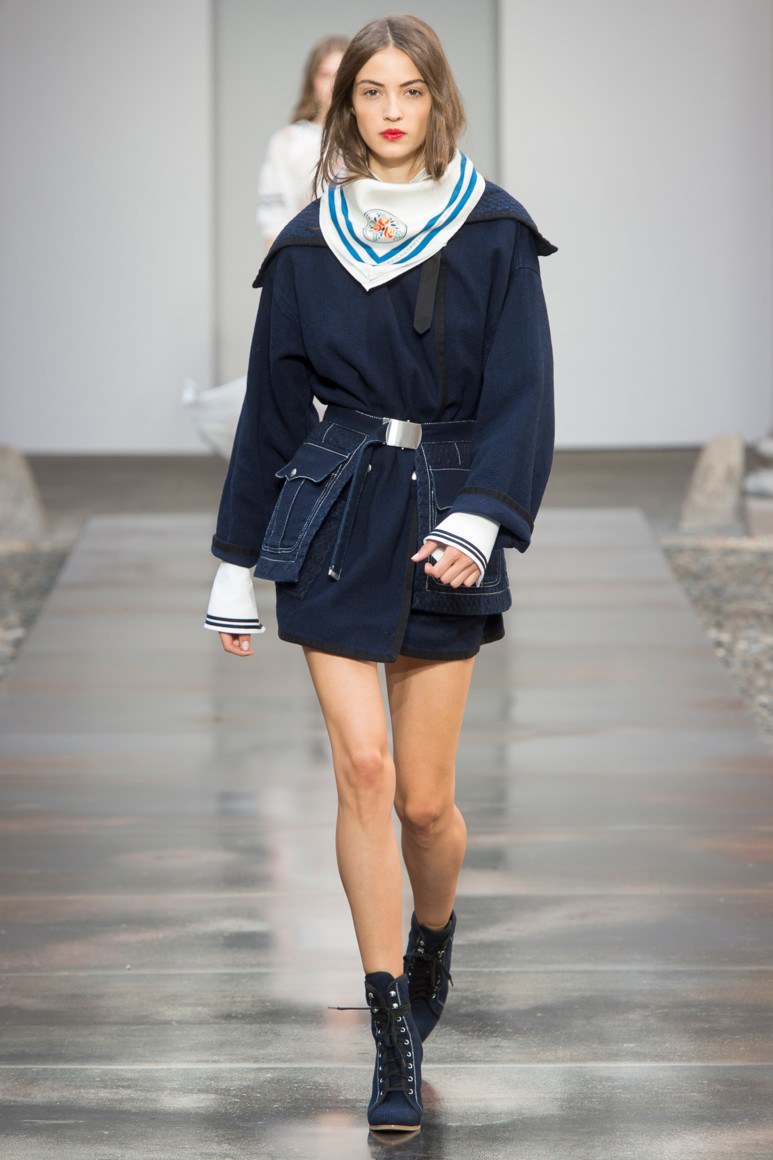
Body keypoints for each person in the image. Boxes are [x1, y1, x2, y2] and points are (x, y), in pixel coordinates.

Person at [205, 13, 555, 1134]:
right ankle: (389, 1024)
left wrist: (483, 519)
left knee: (422, 801)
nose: (391, 110)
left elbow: (522, 395)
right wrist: (233, 564)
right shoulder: (312, 242)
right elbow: (271, 408)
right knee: (361, 770)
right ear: (343, 105)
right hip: (334, 508)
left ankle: (432, 934)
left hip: (445, 511)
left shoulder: (491, 229)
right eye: (370, 92)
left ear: (436, 99)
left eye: (409, 90)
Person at [256, 34, 348, 250]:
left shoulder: (371, 138)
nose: (333, 84)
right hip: (306, 254)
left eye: (340, 75)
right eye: (325, 75)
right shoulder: (288, 142)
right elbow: (275, 219)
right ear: (312, 81)